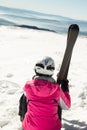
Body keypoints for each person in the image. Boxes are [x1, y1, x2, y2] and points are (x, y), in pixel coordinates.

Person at [21, 56, 71, 130]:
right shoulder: (56, 89)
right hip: (52, 128)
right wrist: (65, 89)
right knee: (58, 102)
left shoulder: (28, 86)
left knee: (24, 97)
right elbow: (67, 106)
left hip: (30, 127)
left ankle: (23, 120)